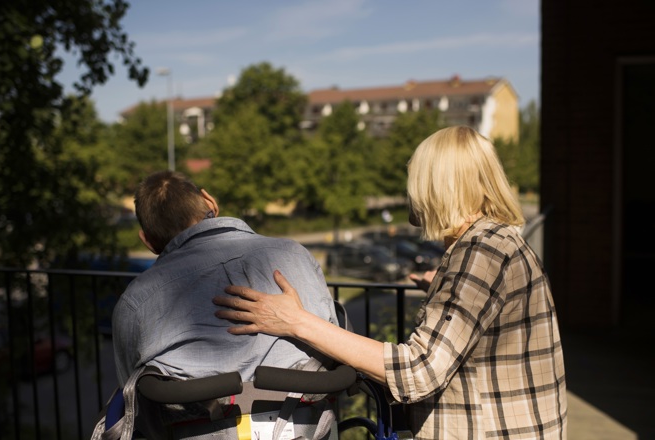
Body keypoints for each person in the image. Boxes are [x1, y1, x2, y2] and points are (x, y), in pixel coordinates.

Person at [213, 126, 568, 439]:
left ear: (436, 185)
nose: (410, 191)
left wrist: (296, 321)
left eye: (414, 179)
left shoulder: (480, 252)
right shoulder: (498, 240)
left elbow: (419, 369)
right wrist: (445, 291)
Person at [112, 170, 338, 388]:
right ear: (210, 202)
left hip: (194, 426)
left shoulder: (135, 302)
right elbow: (336, 350)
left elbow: (131, 396)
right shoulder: (294, 255)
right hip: (307, 424)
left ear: (148, 241)